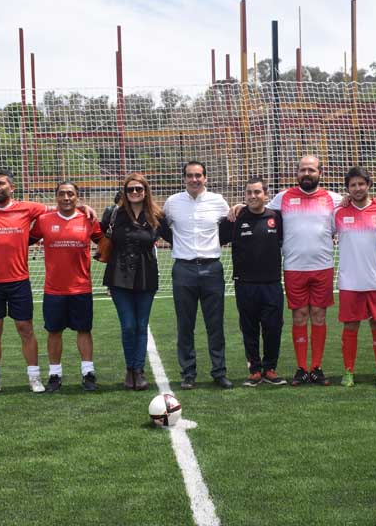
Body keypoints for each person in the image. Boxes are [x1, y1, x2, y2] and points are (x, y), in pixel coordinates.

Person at [0, 168, 96, 396]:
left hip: (20, 280)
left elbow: (61, 209)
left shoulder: (29, 208)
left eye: (1, 183)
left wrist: (81, 207)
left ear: (12, 187)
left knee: (25, 329)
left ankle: (34, 377)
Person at [265, 155, 343, 386]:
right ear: (296, 172)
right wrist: (239, 206)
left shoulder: (334, 199)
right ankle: (301, 368)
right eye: (302, 170)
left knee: (319, 315)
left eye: (311, 170)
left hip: (323, 267)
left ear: (321, 173)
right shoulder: (283, 197)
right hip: (293, 267)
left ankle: (316, 368)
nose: (306, 174)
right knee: (299, 316)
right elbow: (259, 211)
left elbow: (363, 201)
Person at [160, 161, 232, 390]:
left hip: (212, 269)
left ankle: (219, 372)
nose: (194, 179)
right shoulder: (172, 202)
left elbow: (230, 224)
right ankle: (188, 373)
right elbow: (162, 227)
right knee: (185, 325)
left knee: (215, 325)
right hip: (184, 269)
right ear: (184, 178)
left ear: (205, 178)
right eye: (190, 175)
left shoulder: (218, 201)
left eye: (198, 175)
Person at [30, 181, 103, 392]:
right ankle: (55, 375)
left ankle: (88, 373)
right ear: (56, 197)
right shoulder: (44, 220)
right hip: (54, 289)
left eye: (70, 194)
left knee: (84, 330)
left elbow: (103, 242)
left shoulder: (88, 219)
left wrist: (103, 256)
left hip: (81, 287)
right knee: (54, 331)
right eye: (62, 193)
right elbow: (26, 240)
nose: (66, 197)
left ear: (77, 197)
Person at [334, 167, 376, 387]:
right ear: (347, 189)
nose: (357, 188)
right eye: (353, 185)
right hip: (349, 282)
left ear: (369, 185)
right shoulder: (338, 213)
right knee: (350, 326)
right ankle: (348, 371)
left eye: (361, 184)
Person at [219, 176, 286, 386]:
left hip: (272, 283)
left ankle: (270, 369)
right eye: (249, 192)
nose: (253, 196)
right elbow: (216, 239)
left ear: (266, 194)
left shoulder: (276, 217)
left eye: (257, 192)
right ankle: (255, 370)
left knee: (273, 327)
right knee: (249, 328)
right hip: (245, 284)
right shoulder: (235, 218)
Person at [102, 173, 164, 390]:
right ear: (125, 192)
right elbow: (96, 232)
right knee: (128, 325)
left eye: (139, 189)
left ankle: (139, 370)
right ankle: (130, 369)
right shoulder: (114, 214)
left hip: (146, 275)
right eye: (130, 189)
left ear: (146, 191)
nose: (135, 192)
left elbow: (177, 234)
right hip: (119, 276)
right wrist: (84, 209)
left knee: (141, 325)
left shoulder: (157, 216)